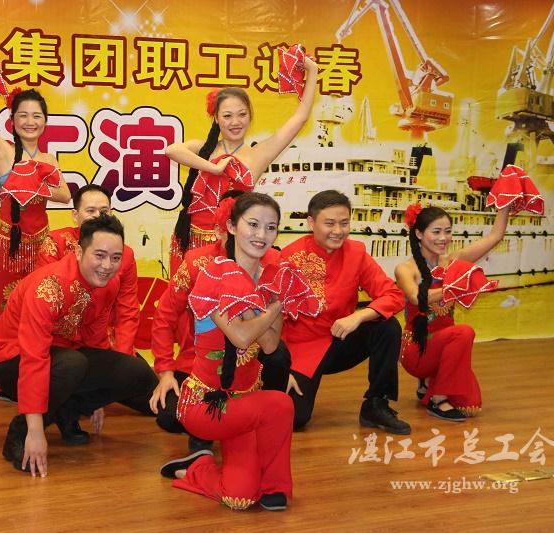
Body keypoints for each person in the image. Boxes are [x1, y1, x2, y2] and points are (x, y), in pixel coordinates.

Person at [0, 214, 157, 476]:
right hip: (13, 360)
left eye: (115, 258)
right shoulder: (49, 289)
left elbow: (95, 341)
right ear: (79, 252)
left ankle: (67, 411)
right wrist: (35, 431)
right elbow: (34, 358)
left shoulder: (108, 283)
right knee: (72, 365)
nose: (107, 266)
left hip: (63, 356)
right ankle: (20, 432)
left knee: (136, 371)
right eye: (99, 256)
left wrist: (99, 395)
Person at [160, 193, 294, 512]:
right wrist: (277, 305)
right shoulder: (214, 275)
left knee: (239, 497)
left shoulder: (267, 278)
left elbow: (270, 345)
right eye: (253, 224)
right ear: (232, 227)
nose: (262, 235)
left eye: (271, 227)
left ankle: (195, 467)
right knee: (279, 405)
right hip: (206, 404)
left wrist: (272, 299)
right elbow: (242, 337)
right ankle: (274, 486)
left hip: (243, 404)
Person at [165, 57, 318, 274]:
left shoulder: (258, 154)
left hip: (233, 247)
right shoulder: (203, 148)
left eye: (242, 114)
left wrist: (312, 71)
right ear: (216, 119)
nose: (235, 122)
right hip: (192, 241)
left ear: (250, 116)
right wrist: (213, 168)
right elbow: (171, 150)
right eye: (227, 116)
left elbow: (300, 118)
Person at [280, 190, 409, 434]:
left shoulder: (356, 253)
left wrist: (358, 316)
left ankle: (376, 404)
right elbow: (275, 318)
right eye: (329, 223)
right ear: (311, 223)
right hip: (301, 350)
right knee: (294, 419)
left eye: (344, 223)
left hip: (340, 339)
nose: (338, 231)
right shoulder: (289, 258)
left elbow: (393, 295)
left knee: (387, 327)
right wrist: (280, 369)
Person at [0, 56, 71, 312]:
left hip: (41, 248)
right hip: (7, 249)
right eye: (23, 115)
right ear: (12, 120)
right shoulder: (4, 152)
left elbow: (65, 195)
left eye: (36, 116)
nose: (30, 122)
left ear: (45, 121)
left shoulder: (49, 160)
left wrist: (33, 183)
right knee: (8, 313)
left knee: (40, 311)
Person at [395, 204, 510, 421]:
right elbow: (416, 298)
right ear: (419, 234)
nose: (443, 238)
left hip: (446, 347)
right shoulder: (405, 269)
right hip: (416, 349)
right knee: (464, 332)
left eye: (447, 231)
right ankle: (437, 399)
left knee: (470, 403)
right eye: (436, 232)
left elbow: (495, 236)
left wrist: (506, 204)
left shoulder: (453, 262)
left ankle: (429, 383)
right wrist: (455, 287)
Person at [35, 184, 139, 356]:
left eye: (104, 211)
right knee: (75, 365)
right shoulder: (56, 244)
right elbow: (43, 303)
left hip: (103, 338)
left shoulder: (124, 254)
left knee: (136, 370)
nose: (98, 216)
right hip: (59, 341)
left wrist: (122, 353)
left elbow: (127, 310)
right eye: (90, 211)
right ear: (75, 215)